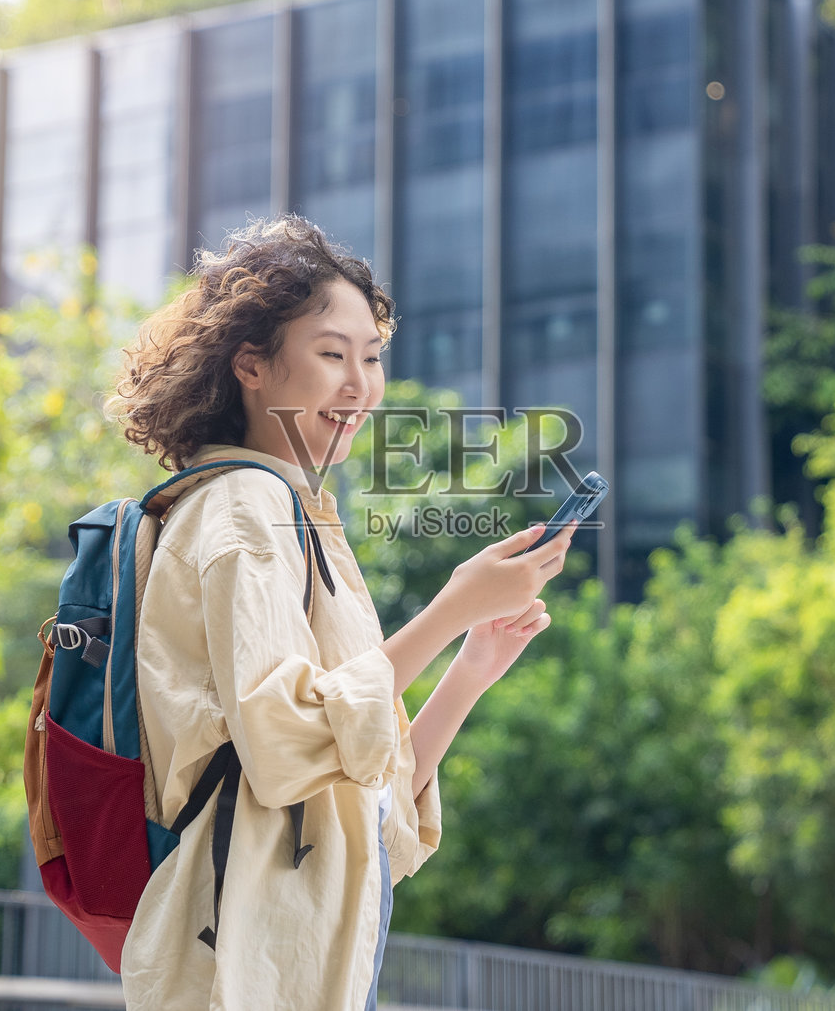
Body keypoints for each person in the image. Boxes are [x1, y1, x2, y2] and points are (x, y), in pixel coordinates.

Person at [109, 216, 575, 1011]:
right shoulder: (245, 509)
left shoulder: (294, 511)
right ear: (251, 365)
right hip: (237, 965)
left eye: (372, 356)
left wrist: (468, 666)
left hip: (278, 959)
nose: (361, 385)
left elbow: (369, 808)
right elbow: (285, 739)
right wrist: (449, 607)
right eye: (332, 354)